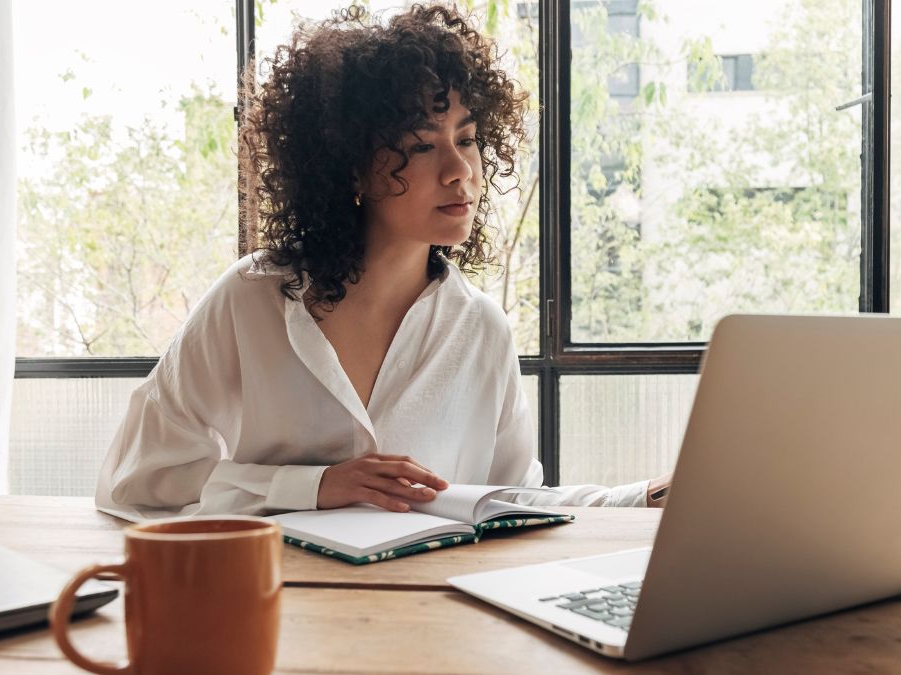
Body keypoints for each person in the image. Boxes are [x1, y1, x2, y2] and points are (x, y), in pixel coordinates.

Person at [95, 3, 671, 522]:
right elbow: (139, 481)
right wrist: (316, 487)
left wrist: (643, 497)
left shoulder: (481, 330)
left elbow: (511, 504)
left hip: (427, 619)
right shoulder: (251, 299)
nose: (459, 170)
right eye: (422, 146)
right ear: (349, 165)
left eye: (466, 140)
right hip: (279, 613)